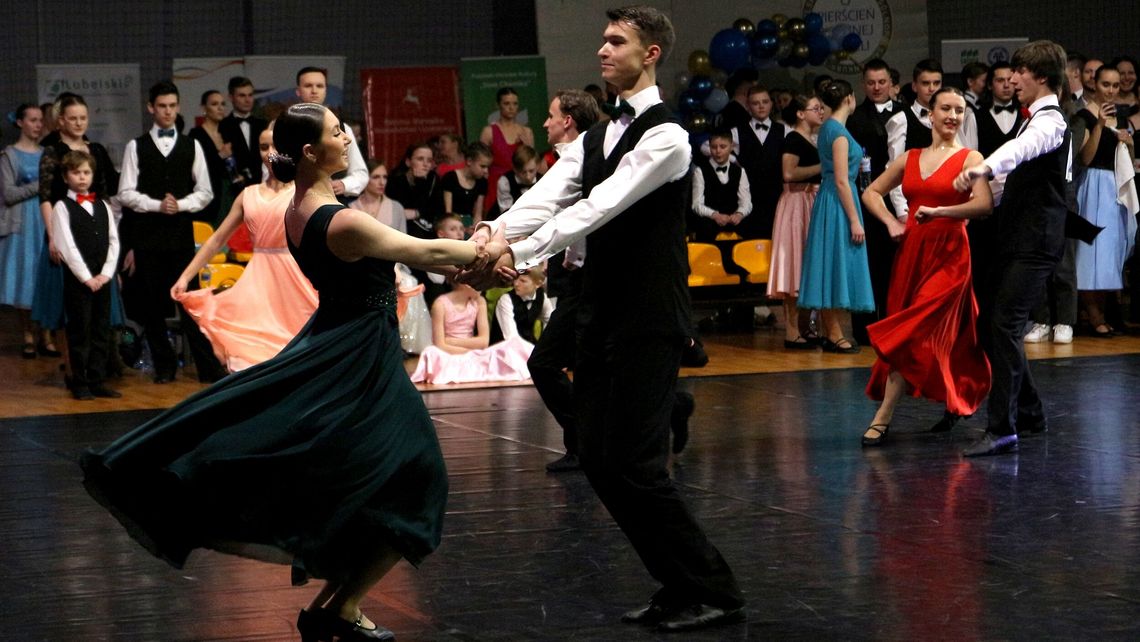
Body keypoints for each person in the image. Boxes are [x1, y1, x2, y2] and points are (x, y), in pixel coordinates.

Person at [82, 102, 490, 642]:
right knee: (421, 477)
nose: (349, 139)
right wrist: (491, 244)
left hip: (345, 347)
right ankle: (341, 606)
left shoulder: (299, 208)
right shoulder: (340, 220)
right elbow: (429, 250)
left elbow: (429, 256)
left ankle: (336, 608)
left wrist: (481, 253)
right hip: (357, 357)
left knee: (380, 477)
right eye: (338, 133)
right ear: (311, 152)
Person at [468, 6, 744, 631]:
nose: (602, 50)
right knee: (596, 456)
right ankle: (677, 583)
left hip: (649, 316)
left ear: (651, 54)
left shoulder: (668, 137)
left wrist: (516, 254)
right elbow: (546, 195)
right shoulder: (595, 137)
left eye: (616, 41)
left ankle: (713, 589)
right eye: (602, 40)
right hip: (598, 310)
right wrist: (491, 234)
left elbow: (599, 206)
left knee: (638, 466)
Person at [953, 40, 1073, 457]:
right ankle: (1030, 412)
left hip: (1036, 240)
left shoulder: (1049, 122)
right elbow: (1010, 183)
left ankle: (1003, 428)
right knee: (993, 322)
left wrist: (984, 166)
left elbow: (1022, 150)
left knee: (1004, 323)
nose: (1012, 79)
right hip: (1019, 236)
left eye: (1020, 72)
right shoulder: (1032, 119)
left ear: (1041, 76)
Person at [860, 87, 994, 445]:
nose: (953, 116)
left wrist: (940, 212)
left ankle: (883, 415)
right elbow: (870, 192)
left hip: (951, 255)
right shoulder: (910, 157)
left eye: (959, 110)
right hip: (913, 253)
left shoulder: (970, 157)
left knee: (913, 330)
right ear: (929, 115)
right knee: (934, 335)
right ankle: (955, 395)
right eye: (946, 109)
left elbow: (983, 204)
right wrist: (890, 222)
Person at [172, 125, 319, 372]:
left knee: (299, 352)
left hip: (295, 280)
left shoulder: (304, 192)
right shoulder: (248, 195)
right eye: (263, 147)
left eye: (275, 146)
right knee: (250, 354)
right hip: (258, 282)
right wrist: (185, 277)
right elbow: (217, 240)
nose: (270, 152)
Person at [118, 81, 225, 384]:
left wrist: (180, 204)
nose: (167, 111)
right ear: (151, 108)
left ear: (178, 107)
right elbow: (125, 192)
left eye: (172, 106)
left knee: (190, 300)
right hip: (147, 235)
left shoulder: (192, 145)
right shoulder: (135, 146)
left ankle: (207, 366)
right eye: (162, 106)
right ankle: (164, 366)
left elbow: (205, 192)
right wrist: (156, 205)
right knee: (152, 304)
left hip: (180, 234)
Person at [35, 93, 120, 368]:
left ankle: (98, 367)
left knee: (99, 307)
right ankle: (72, 367)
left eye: (83, 117)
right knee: (67, 308)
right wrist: (52, 236)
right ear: (61, 121)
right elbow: (46, 197)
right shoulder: (52, 151)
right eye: (73, 118)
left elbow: (105, 194)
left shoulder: (96, 151)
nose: (79, 123)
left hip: (95, 234)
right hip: (64, 232)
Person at [799, 79, 876, 354]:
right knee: (834, 264)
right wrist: (855, 219)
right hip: (838, 200)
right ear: (849, 99)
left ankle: (831, 331)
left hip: (830, 198)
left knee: (830, 263)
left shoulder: (829, 129)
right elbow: (842, 180)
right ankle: (833, 333)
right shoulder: (838, 133)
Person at [1071, 65, 1137, 336]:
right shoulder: (1084, 116)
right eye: (1105, 84)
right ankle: (1094, 316)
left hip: (1114, 187)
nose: (1111, 90)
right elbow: (1085, 158)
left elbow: (1128, 161)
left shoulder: (1120, 117)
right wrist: (1099, 124)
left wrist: (1129, 143)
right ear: (1094, 84)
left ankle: (1105, 314)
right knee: (1090, 251)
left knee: (1110, 251)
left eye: (1115, 85)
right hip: (1092, 186)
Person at [51, 151, 121, 400]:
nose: (82, 177)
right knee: (80, 330)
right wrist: (86, 277)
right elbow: (66, 245)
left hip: (102, 279)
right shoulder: (62, 207)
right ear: (65, 176)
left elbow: (113, 241)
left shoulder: (103, 205)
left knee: (101, 329)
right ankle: (79, 382)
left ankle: (97, 379)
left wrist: (106, 274)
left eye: (86, 172)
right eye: (76, 172)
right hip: (79, 280)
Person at [848, 58, 908, 344]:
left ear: (891, 83)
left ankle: (897, 326)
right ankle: (866, 329)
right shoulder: (855, 118)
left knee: (899, 267)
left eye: (882, 82)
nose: (876, 87)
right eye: (871, 82)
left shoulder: (906, 113)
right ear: (863, 84)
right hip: (868, 198)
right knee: (869, 265)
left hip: (903, 197)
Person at [767, 95, 824, 348]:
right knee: (793, 264)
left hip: (810, 200)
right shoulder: (792, 139)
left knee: (808, 265)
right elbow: (789, 173)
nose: (820, 112)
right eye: (815, 108)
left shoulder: (813, 139)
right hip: (796, 202)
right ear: (800, 113)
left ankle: (806, 325)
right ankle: (791, 330)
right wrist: (823, 166)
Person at [410, 280, 534, 384]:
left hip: (473, 352)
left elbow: (483, 341)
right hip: (449, 353)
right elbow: (440, 345)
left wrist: (452, 341)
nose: (482, 288)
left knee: (513, 345)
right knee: (431, 352)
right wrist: (467, 353)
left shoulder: (479, 302)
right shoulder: (440, 304)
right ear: (467, 284)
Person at [0, 104, 49, 358]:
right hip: (22, 222)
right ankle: (28, 335)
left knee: (45, 276)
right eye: (33, 120)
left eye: (40, 120)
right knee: (25, 278)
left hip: (45, 218)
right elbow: (8, 194)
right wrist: (39, 186)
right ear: (20, 123)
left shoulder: (47, 153)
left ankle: (47, 335)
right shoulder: (9, 155)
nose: (38, 125)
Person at [295, 67, 368, 201]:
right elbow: (270, 171)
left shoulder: (343, 128)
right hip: (294, 199)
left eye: (319, 86)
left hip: (333, 202)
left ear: (326, 90)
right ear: (298, 91)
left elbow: (361, 173)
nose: (314, 91)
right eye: (308, 85)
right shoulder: (283, 127)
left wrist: (344, 184)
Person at [479, 87, 534, 215]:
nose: (511, 108)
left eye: (515, 104)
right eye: (506, 103)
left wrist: (528, 146)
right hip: (494, 185)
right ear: (498, 105)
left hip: (519, 184)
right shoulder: (489, 132)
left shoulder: (526, 132)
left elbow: (532, 162)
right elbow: (480, 162)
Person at [690, 128, 751, 241]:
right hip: (709, 225)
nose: (718, 151)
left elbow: (746, 201)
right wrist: (715, 215)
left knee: (749, 227)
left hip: (734, 223)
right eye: (714, 147)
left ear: (731, 147)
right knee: (704, 227)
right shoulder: (700, 171)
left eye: (723, 147)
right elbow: (696, 204)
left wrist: (739, 214)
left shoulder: (740, 171)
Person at [188, 90, 235, 226]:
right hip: (208, 198)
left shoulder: (226, 133)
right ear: (204, 108)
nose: (220, 108)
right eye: (214, 104)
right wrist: (220, 156)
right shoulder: (196, 135)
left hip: (228, 193)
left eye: (223, 104)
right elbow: (195, 170)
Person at [219, 77, 268, 191]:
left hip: (263, 187)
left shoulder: (263, 125)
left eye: (250, 95)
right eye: (242, 96)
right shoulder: (222, 126)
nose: (248, 100)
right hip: (234, 190)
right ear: (231, 97)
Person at [386, 141, 440, 239]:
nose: (425, 164)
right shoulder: (395, 181)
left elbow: (434, 209)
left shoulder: (434, 178)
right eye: (420, 159)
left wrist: (420, 181)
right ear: (408, 162)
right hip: (401, 229)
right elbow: (398, 211)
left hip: (426, 228)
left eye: (429, 160)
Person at [490, 268, 553, 343]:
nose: (516, 284)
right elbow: (511, 337)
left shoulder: (542, 298)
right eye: (516, 278)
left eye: (523, 281)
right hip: (505, 346)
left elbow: (553, 323)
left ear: (538, 284)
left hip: (529, 344)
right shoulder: (506, 300)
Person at [439, 141, 491, 229]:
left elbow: (478, 214)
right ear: (469, 161)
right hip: (450, 224)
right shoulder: (450, 178)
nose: (486, 171)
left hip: (468, 223)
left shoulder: (482, 182)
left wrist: (475, 228)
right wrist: (461, 229)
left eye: (488, 167)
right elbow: (448, 213)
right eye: (482, 166)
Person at [349, 160, 406, 233]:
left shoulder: (396, 207)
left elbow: (404, 238)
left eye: (385, 177)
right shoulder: (352, 208)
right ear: (365, 179)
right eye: (376, 177)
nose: (382, 182)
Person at [490, 144, 538, 221]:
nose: (528, 177)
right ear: (515, 169)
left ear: (537, 166)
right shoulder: (505, 182)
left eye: (531, 171)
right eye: (523, 172)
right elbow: (506, 214)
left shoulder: (543, 179)